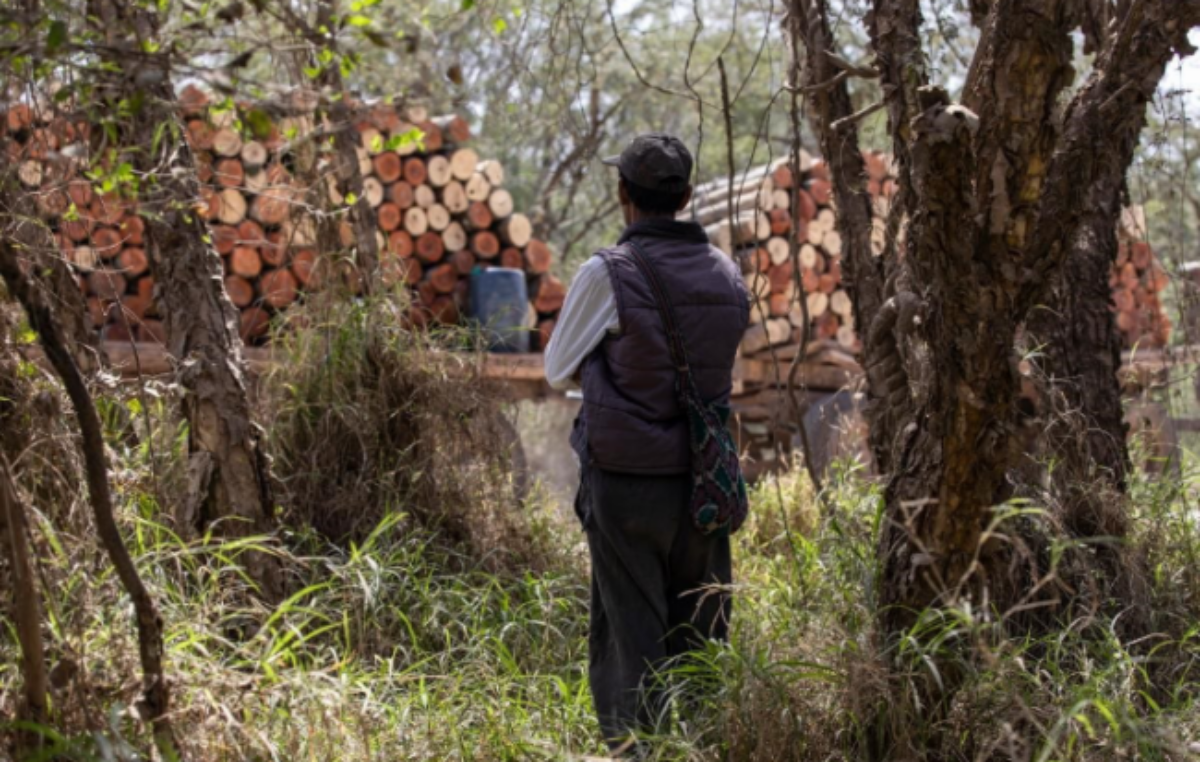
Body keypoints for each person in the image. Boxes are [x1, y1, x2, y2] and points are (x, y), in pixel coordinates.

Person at [543, 133, 751, 752]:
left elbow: (558, 368)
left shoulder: (608, 271)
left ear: (621, 197)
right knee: (701, 633)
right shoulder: (727, 273)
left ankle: (636, 751)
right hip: (705, 482)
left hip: (628, 483)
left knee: (631, 633)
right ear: (686, 196)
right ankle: (697, 745)